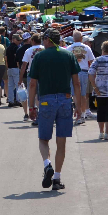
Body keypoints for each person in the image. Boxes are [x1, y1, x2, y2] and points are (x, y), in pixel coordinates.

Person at [28, 29, 81, 191]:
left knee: (43, 139)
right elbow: (76, 83)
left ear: (47, 40)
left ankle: (47, 164)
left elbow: (33, 84)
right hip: (65, 100)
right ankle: (57, 178)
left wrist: (31, 106)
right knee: (61, 141)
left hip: (46, 101)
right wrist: (79, 106)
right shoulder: (69, 55)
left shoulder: (39, 57)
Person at [66, 30, 95, 125]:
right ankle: (82, 114)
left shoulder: (69, 48)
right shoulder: (87, 47)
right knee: (83, 94)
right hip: (84, 71)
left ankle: (78, 113)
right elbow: (92, 61)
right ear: (81, 38)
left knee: (75, 94)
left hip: (73, 72)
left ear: (73, 38)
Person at [19, 34, 44, 123]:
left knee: (32, 95)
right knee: (42, 95)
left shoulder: (28, 50)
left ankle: (34, 114)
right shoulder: (44, 49)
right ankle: (42, 114)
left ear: (32, 41)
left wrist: (20, 79)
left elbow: (24, 65)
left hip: (32, 73)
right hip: (44, 74)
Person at [6, 34, 22, 107]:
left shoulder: (8, 48)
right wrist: (19, 68)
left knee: (10, 85)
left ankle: (11, 101)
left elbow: (6, 59)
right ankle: (18, 100)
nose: (19, 41)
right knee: (18, 85)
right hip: (15, 68)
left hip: (9, 68)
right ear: (14, 39)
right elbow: (17, 59)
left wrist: (7, 67)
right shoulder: (16, 48)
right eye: (18, 40)